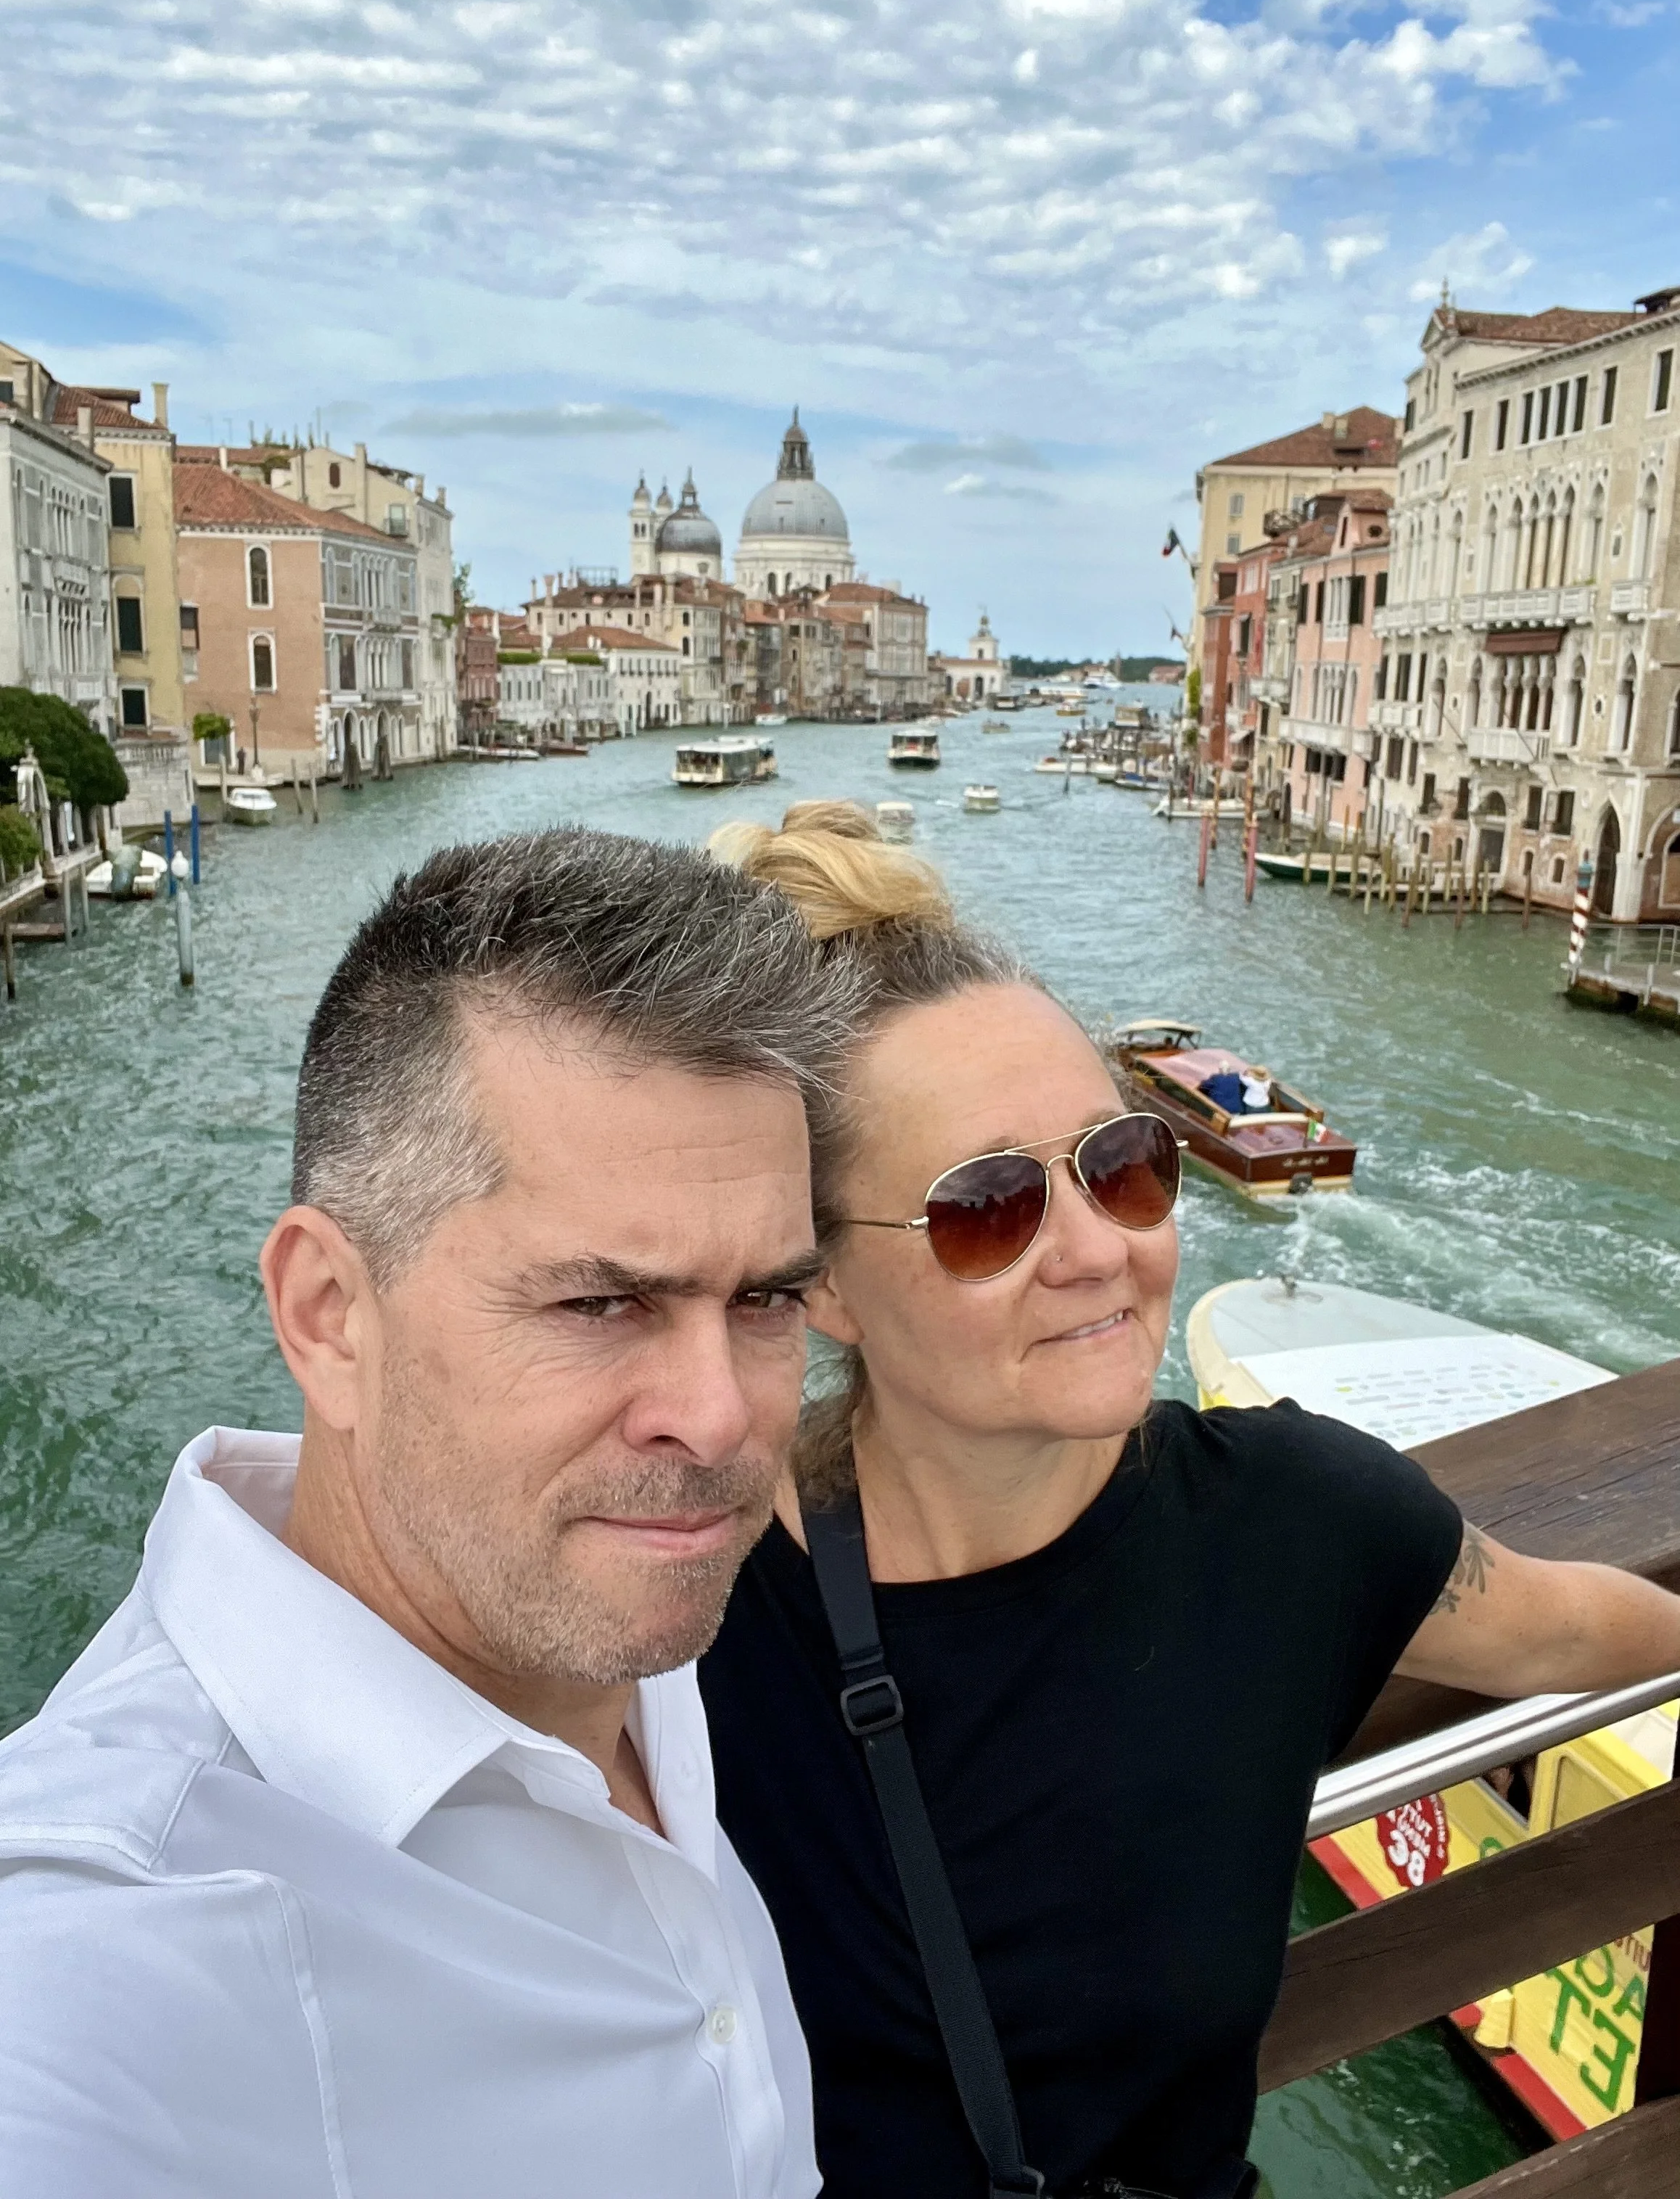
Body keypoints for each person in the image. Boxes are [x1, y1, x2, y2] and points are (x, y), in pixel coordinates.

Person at [699, 800, 1680, 2199]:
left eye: (1123, 1165)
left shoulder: (1296, 1523)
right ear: (823, 1287)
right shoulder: (688, 1610)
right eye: (989, 1208)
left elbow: (1575, 1629)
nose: (1099, 1250)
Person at [0, 826, 862, 2199]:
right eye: (600, 1304)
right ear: (328, 1317)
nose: (719, 1417)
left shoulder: (596, 1608)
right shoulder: (100, 1962)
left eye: (764, 1300)